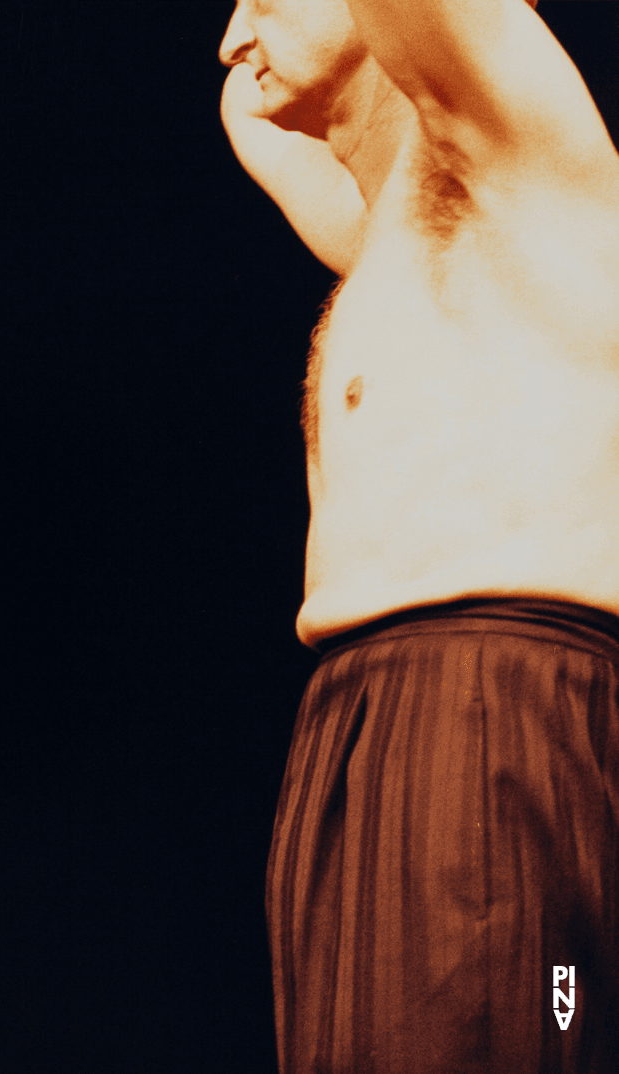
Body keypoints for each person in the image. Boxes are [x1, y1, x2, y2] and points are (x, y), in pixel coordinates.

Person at [218, 1, 619, 1071]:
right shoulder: (382, 232)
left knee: (530, 1030)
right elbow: (244, 107)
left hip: (490, 702)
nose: (232, 40)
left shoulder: (515, 159)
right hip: (362, 716)